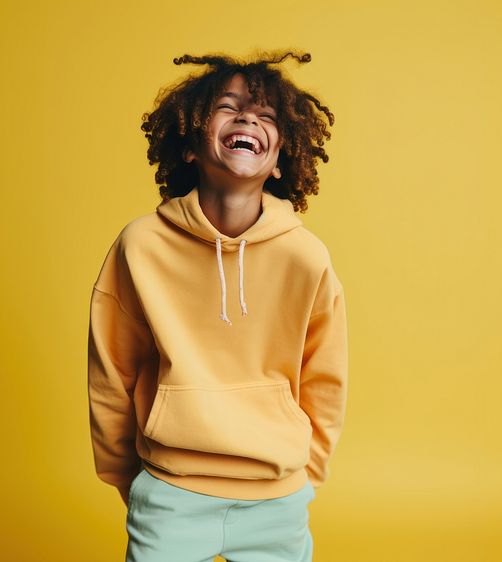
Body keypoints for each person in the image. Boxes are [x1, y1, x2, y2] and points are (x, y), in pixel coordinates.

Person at [87, 50, 348, 562]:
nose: (248, 117)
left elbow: (326, 378)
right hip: (169, 493)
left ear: (279, 162)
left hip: (277, 499)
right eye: (227, 108)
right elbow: (110, 372)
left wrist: (304, 473)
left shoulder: (306, 256)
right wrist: (127, 477)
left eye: (267, 115)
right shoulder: (140, 245)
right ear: (189, 146)